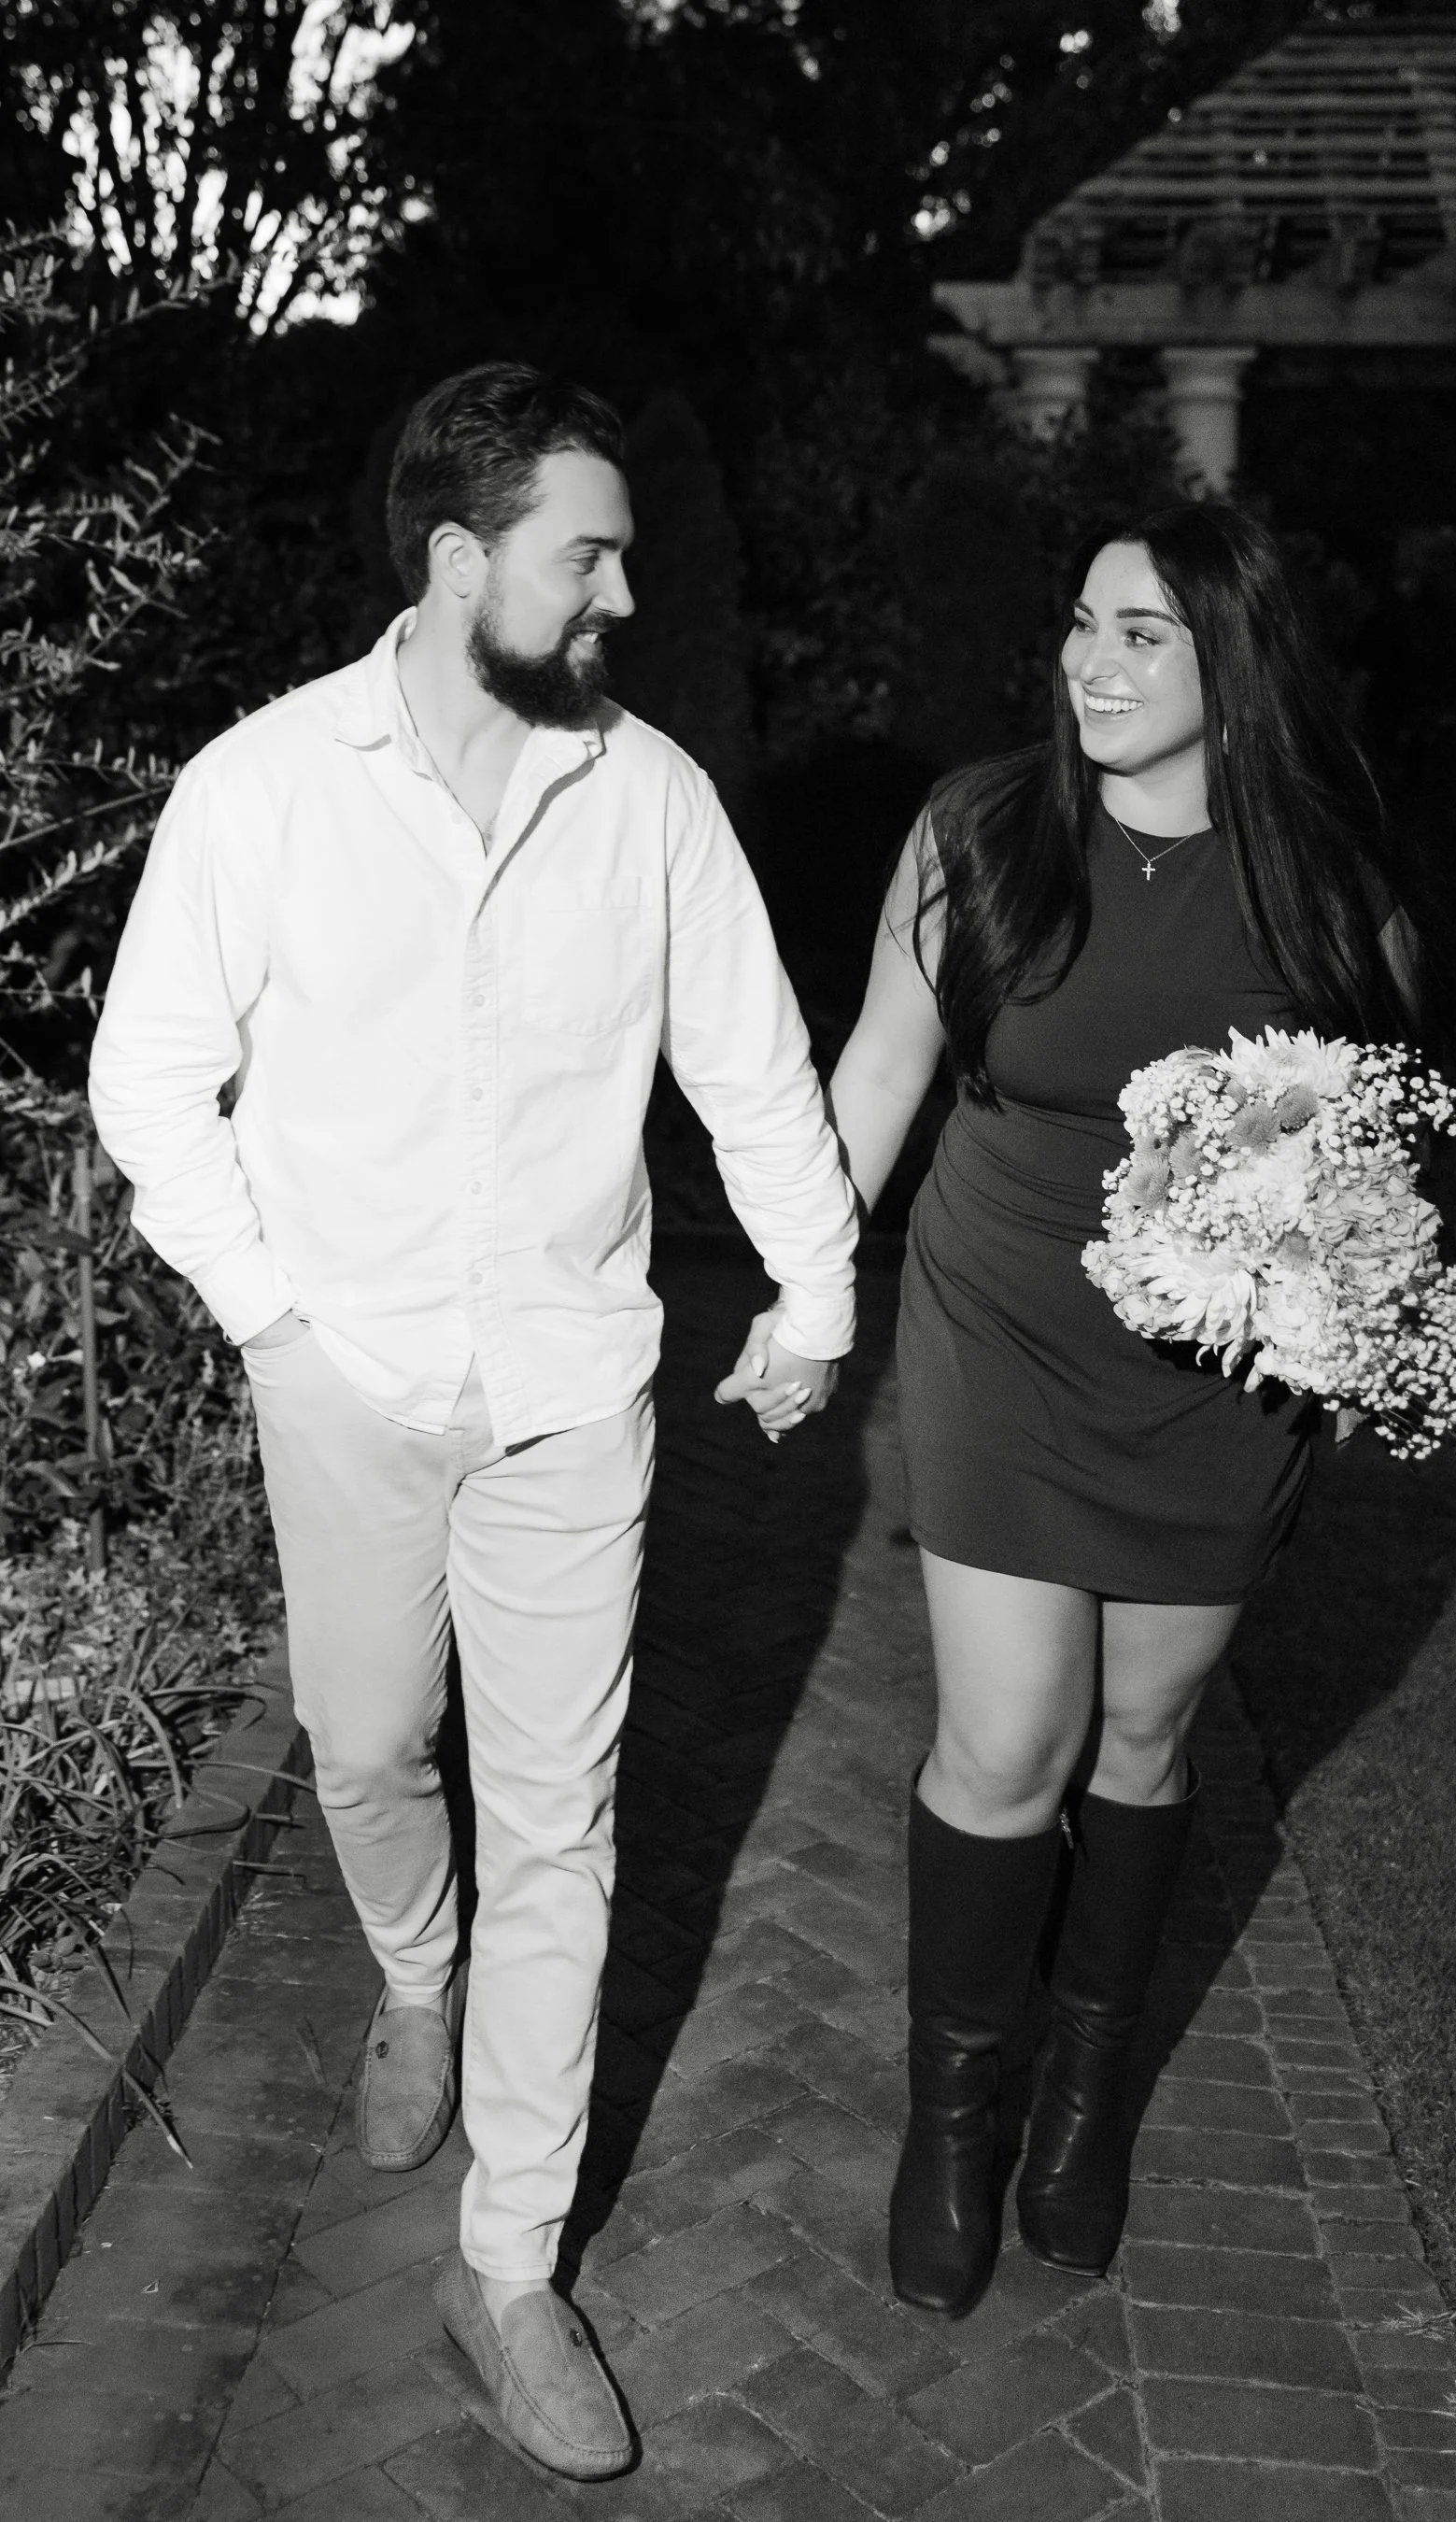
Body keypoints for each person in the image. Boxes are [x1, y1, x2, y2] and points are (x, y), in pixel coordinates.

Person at [89, 362, 851, 2475]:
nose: (620, 589)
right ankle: (409, 1973)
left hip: (569, 1397)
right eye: (585, 552)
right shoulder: (260, 791)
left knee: (566, 1826)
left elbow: (752, 1057)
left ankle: (508, 2263)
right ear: (456, 565)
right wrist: (280, 1325)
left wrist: (814, 1284)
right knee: (356, 1750)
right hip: (342, 1378)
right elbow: (147, 1080)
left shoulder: (655, 797)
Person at [825, 502, 1418, 2317]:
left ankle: (1087, 2093)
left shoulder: (1329, 893)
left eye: (1142, 633)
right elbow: (879, 1071)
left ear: (1229, 665)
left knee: (1141, 1739)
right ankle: (954, 2121)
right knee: (1007, 1737)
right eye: (1082, 622)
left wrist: (1326, 1290)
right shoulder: (981, 836)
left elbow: (1365, 1166)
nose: (1091, 660)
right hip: (998, 1327)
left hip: (1210, 1378)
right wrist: (792, 1277)